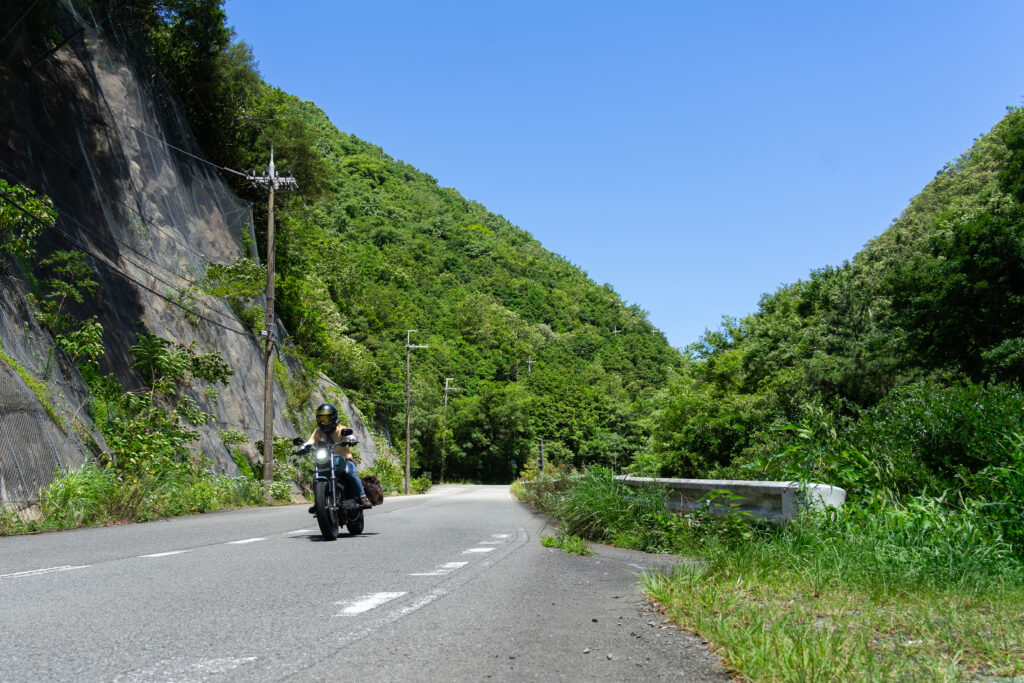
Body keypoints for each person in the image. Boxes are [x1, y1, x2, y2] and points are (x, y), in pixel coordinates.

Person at [302, 403, 373, 510]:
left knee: (350, 472)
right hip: (326, 461)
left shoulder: (341, 429)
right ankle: (319, 502)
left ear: (333, 418)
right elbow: (310, 441)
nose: (323, 422)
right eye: (320, 419)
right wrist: (303, 447)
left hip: (345, 461)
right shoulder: (317, 431)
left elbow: (351, 436)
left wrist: (351, 440)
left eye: (325, 419)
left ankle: (363, 497)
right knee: (315, 476)